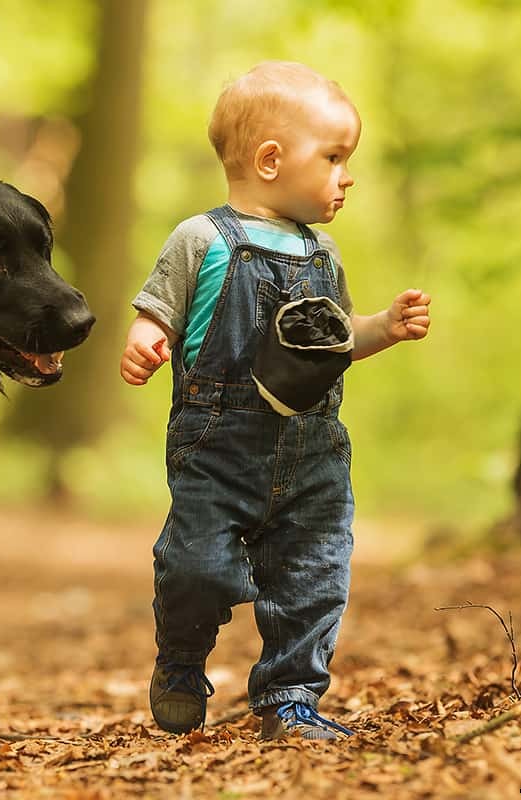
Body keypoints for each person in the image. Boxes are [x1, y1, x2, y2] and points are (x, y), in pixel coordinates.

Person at [120, 60, 431, 741]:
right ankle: (180, 658)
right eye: (335, 158)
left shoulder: (325, 252)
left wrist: (383, 327)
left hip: (314, 448)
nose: (347, 175)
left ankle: (291, 697)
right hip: (218, 447)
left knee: (314, 574)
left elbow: (333, 341)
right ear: (270, 160)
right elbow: (158, 312)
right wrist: (146, 341)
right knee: (197, 566)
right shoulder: (200, 240)